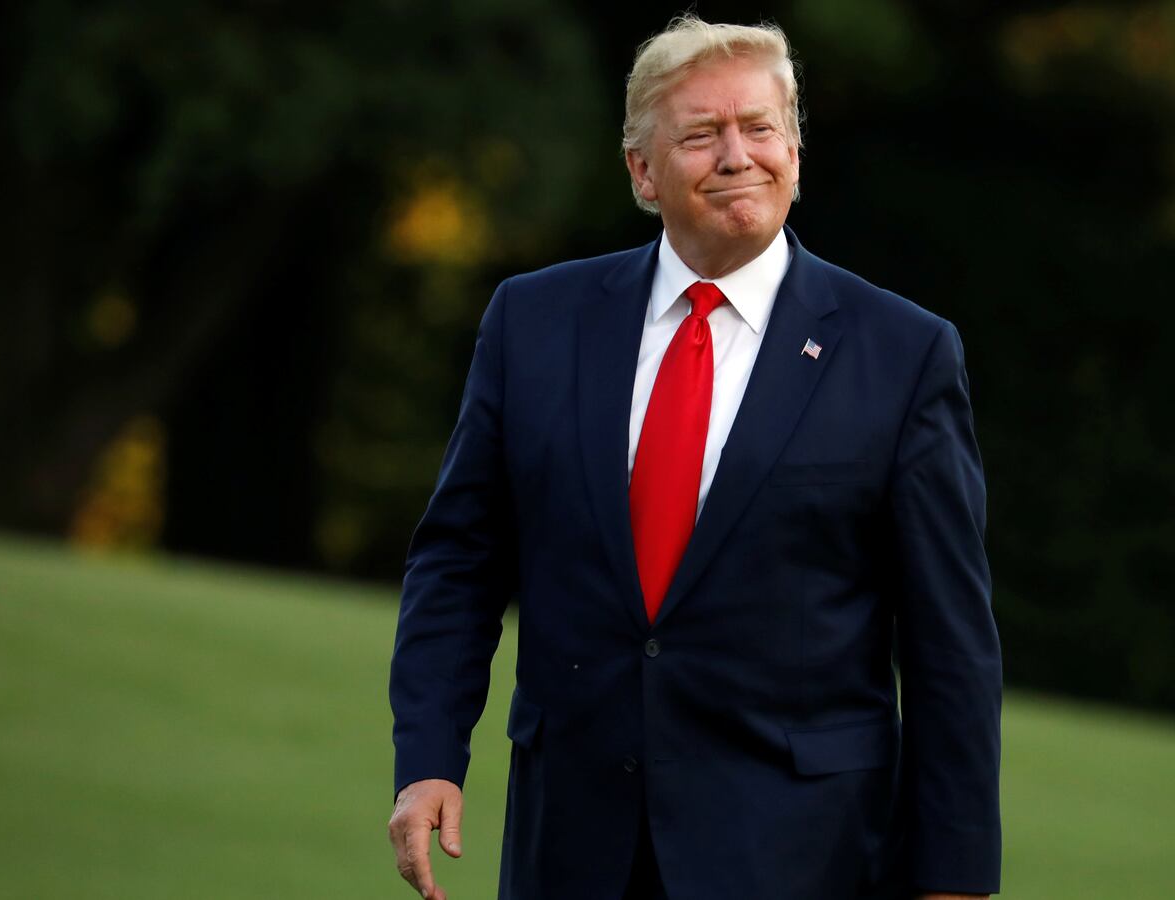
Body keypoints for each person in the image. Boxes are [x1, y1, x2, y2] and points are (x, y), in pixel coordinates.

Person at [387, 14, 1000, 900]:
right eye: (703, 133)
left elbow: (952, 646)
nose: (737, 154)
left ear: (794, 145)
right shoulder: (534, 323)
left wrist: (954, 876)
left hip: (800, 856)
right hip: (572, 847)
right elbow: (459, 561)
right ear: (643, 169)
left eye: (760, 127)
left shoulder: (903, 354)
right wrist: (429, 758)